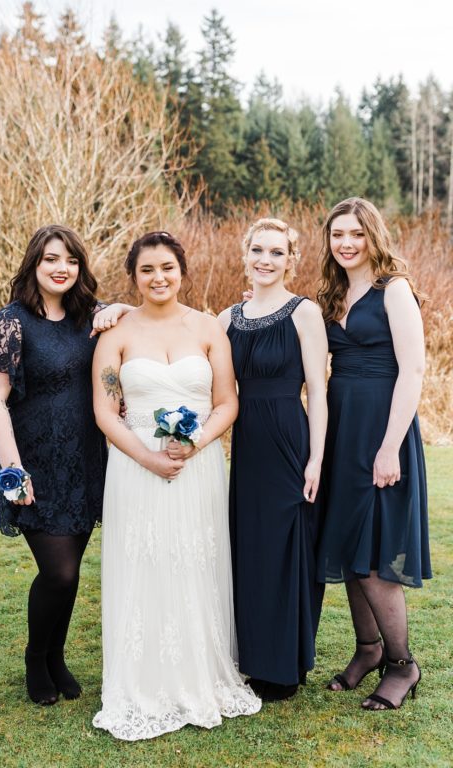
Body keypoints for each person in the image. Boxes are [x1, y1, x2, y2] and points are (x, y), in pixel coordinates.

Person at [91, 231, 260, 741]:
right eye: (147, 270)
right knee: (143, 561)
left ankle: (200, 673)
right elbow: (105, 410)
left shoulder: (209, 328)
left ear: (181, 270)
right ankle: (143, 682)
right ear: (134, 277)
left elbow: (228, 400)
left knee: (194, 560)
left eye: (167, 267)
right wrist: (147, 457)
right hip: (134, 467)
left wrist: (197, 442)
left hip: (198, 466)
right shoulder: (116, 333)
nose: (158, 277)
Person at [0, 224, 108, 706]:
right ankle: (36, 657)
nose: (61, 268)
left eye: (70, 260)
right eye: (52, 259)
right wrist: (12, 469)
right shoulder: (10, 322)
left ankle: (57, 657)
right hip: (34, 464)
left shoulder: (90, 317)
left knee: (71, 569)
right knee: (60, 573)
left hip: (86, 461)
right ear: (34, 264)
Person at [316, 197, 429, 710]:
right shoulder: (335, 291)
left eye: (356, 233)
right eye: (338, 233)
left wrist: (389, 446)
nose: (346, 243)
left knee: (375, 560)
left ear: (373, 235)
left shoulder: (394, 288)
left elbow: (414, 371)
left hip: (381, 432)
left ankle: (403, 665)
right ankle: (368, 649)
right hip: (342, 429)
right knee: (346, 547)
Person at [216, 219, 328, 702]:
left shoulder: (304, 313)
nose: (266, 259)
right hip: (248, 445)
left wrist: (316, 458)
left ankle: (284, 666)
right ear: (245, 255)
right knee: (252, 549)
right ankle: (252, 658)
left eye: (277, 252)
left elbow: (319, 392)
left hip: (290, 439)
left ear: (291, 260)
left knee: (288, 549)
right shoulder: (226, 319)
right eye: (258, 250)